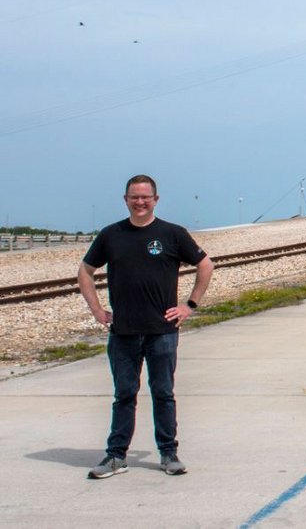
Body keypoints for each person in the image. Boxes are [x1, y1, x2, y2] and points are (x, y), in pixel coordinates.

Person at [78, 175, 214, 480]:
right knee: (124, 395)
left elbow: (205, 265)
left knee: (163, 392)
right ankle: (116, 456)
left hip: (162, 331)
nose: (140, 202)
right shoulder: (111, 235)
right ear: (125, 199)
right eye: (134, 197)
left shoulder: (172, 234)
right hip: (123, 332)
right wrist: (97, 309)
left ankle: (169, 453)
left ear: (156, 199)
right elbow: (85, 270)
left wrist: (189, 305)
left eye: (145, 197)